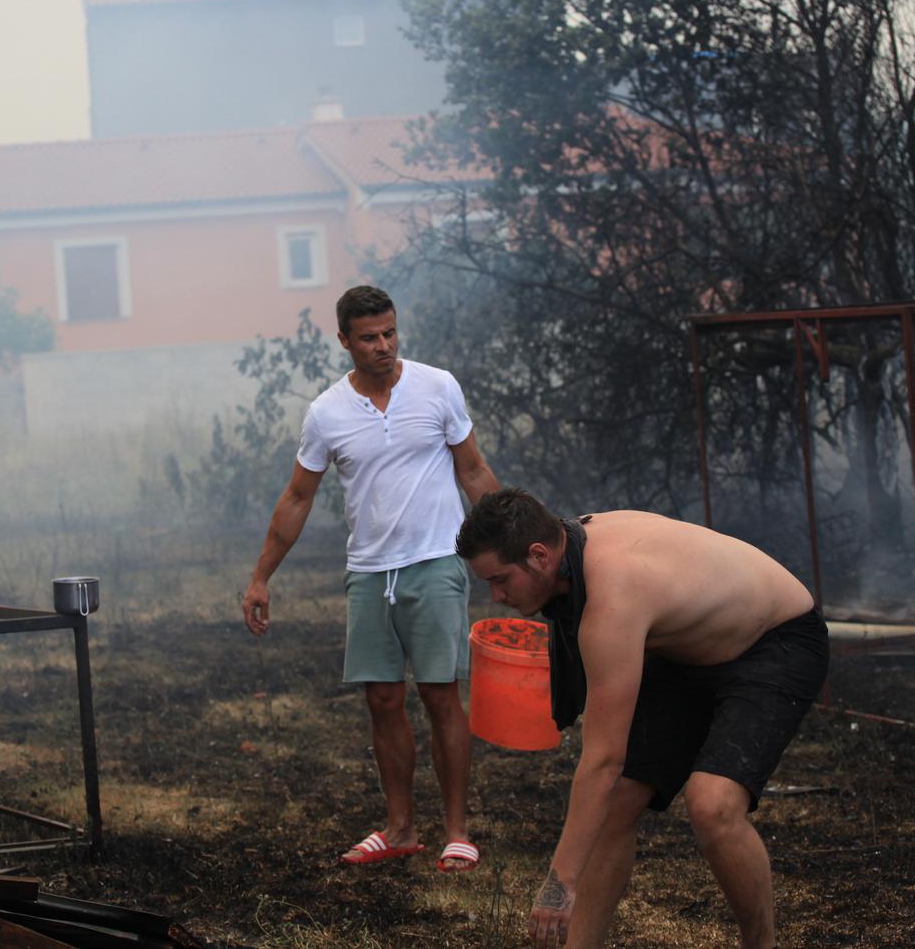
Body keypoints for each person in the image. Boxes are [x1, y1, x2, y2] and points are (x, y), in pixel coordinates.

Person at [456, 488, 828, 949]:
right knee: (613, 807)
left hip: (775, 640)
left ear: (538, 556)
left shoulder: (611, 600)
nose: (495, 597)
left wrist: (559, 884)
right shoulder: (567, 551)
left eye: (500, 580)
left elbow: (603, 760)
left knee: (712, 804)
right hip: (685, 652)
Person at [241, 285, 499, 872]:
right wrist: (260, 578)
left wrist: (514, 548)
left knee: (440, 695)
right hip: (368, 572)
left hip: (435, 560)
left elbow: (474, 470)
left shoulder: (437, 387)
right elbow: (296, 498)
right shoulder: (326, 412)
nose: (383, 346)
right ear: (344, 341)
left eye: (390, 333)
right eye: (369, 337)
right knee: (382, 699)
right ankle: (400, 827)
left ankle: (457, 831)